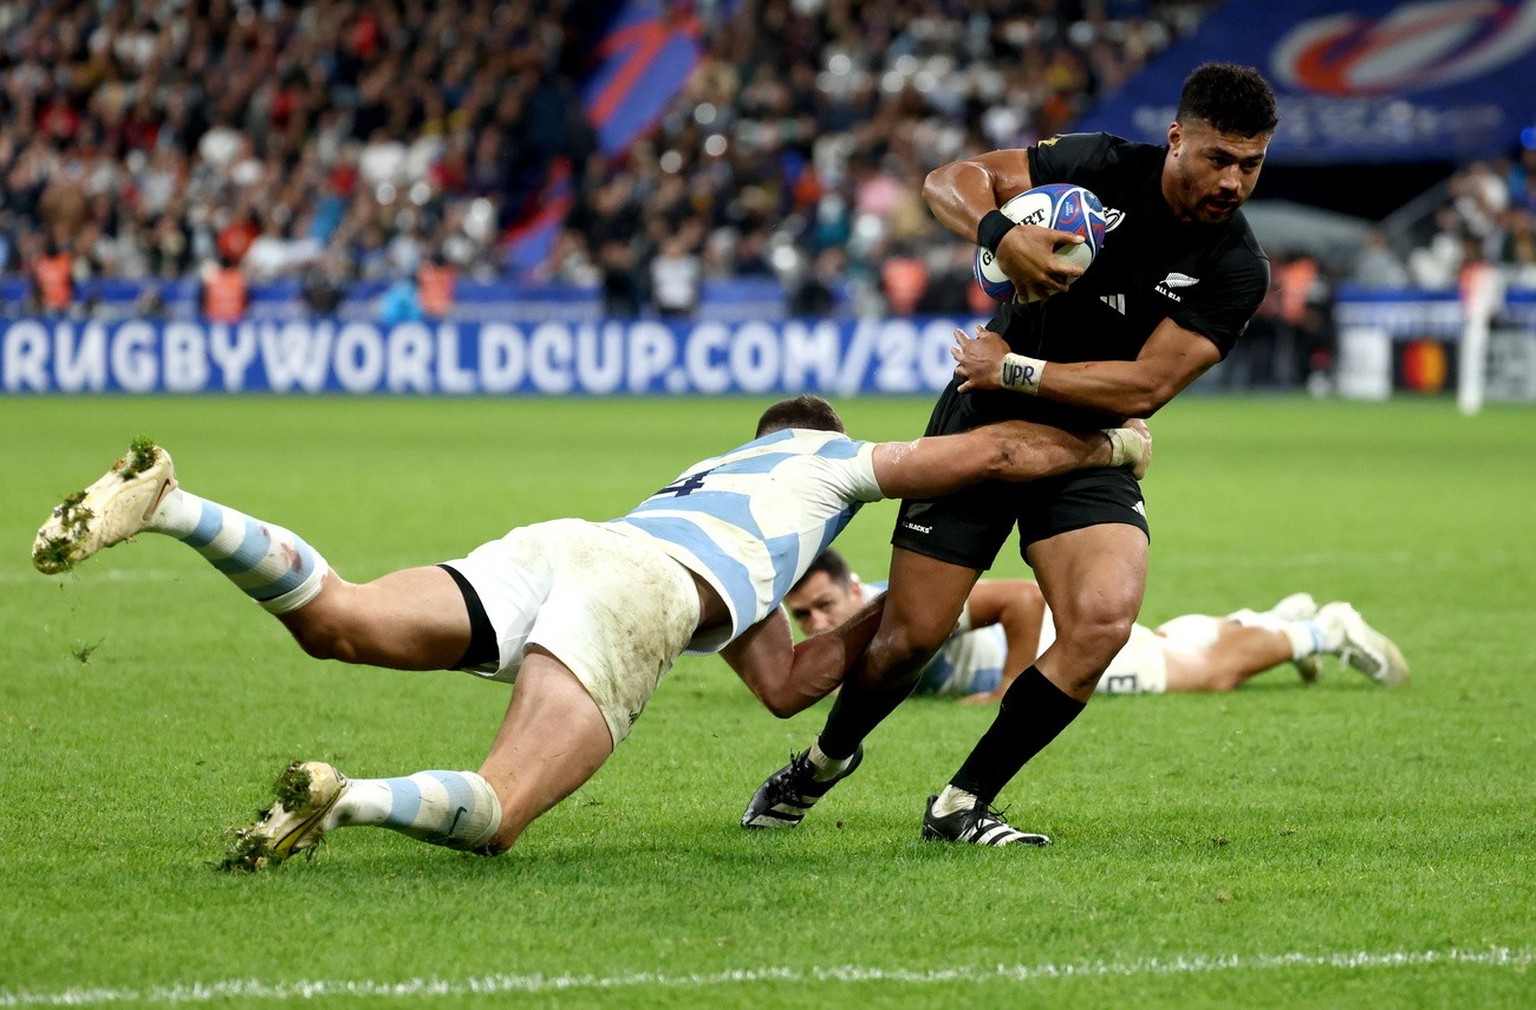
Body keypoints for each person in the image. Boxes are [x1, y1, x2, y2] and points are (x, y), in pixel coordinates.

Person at [32, 397, 1150, 871]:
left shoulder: (717, 483)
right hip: (638, 589)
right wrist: (1111, 451)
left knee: (343, 616)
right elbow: (992, 457)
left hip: (571, 542)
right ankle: (348, 795)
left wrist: (889, 631)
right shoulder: (828, 461)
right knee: (501, 810)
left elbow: (787, 682)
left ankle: (174, 503)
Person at [740, 62, 1281, 846]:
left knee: (1101, 623)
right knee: (910, 638)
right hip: (982, 424)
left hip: (1084, 442)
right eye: (1217, 158)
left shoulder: (1236, 265)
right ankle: (823, 762)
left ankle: (963, 802)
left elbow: (1149, 382)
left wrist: (1016, 368)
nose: (1232, 180)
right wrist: (1000, 233)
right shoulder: (1099, 166)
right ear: (1176, 139)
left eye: (1251, 163)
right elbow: (948, 179)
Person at [782, 550, 1408, 703]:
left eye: (823, 605)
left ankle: (1327, 629)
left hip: (1057, 647)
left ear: (854, 587)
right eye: (802, 616)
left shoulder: (895, 607)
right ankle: (1266, 622)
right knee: (1166, 646)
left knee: (1205, 677)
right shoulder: (854, 627)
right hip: (1050, 642)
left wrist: (1010, 689)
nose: (816, 623)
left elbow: (1022, 601)